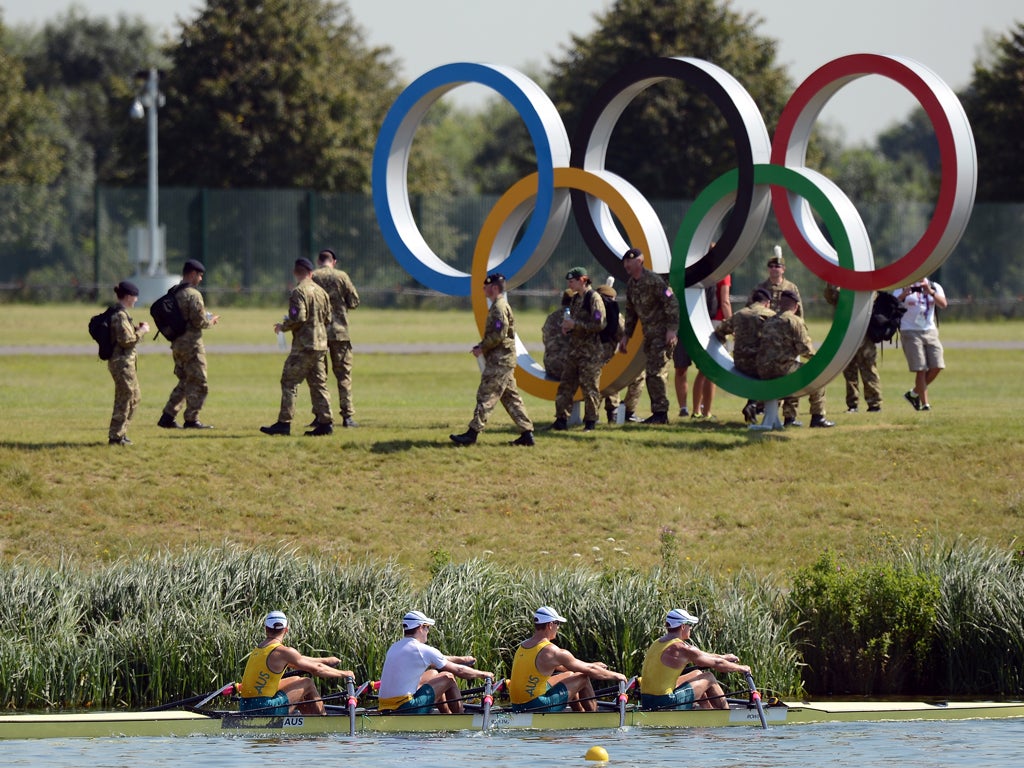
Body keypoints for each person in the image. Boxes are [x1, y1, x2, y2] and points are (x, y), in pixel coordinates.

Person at [450, 273, 535, 447]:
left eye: (486, 285)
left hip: (500, 361)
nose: (483, 289)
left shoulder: (499, 307)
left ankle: (472, 434)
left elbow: (499, 334)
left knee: (486, 395)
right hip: (503, 360)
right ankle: (527, 434)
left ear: (494, 288)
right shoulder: (499, 305)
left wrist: (482, 347)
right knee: (511, 399)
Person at [260, 258, 333, 437]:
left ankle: (284, 423)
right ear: (311, 273)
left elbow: (298, 317)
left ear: (295, 272)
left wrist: (283, 326)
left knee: (289, 381)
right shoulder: (322, 292)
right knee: (318, 384)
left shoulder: (298, 292)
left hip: (304, 346)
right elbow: (328, 318)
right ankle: (325, 423)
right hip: (320, 345)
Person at [509, 606, 627, 713]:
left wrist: (592, 665)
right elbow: (589, 670)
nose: (558, 628)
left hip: (516, 705)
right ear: (550, 625)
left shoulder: (523, 646)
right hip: (537, 706)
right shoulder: (553, 651)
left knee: (570, 674)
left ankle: (578, 713)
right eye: (557, 624)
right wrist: (617, 676)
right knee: (583, 678)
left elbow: (568, 666)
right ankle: (593, 716)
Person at [238, 610, 354, 716]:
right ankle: (322, 720)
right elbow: (316, 669)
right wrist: (345, 673)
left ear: (266, 629)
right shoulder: (283, 652)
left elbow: (300, 659)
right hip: (264, 709)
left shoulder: (260, 649)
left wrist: (326, 661)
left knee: (296, 679)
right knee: (307, 682)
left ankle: (307, 719)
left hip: (245, 706)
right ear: (286, 630)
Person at [378, 610, 493, 714]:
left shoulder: (395, 647)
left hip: (384, 706)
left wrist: (462, 659)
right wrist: (483, 674)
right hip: (406, 708)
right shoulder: (422, 649)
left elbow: (437, 660)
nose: (428, 631)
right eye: (427, 627)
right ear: (421, 627)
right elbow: (459, 670)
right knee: (448, 677)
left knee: (433, 673)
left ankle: (446, 714)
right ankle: (460, 717)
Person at [639, 609, 750, 711]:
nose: (691, 628)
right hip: (665, 703)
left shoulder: (658, 642)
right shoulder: (681, 648)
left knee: (697, 673)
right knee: (709, 677)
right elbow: (717, 664)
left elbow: (704, 655)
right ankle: (727, 715)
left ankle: (708, 712)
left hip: (647, 701)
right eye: (690, 625)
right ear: (683, 626)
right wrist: (741, 668)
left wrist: (724, 657)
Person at [755, 290, 834, 428]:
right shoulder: (794, 321)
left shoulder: (769, 321)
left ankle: (791, 419)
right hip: (783, 369)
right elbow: (804, 348)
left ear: (780, 304)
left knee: (794, 369)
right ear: (796, 306)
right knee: (816, 375)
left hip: (764, 371)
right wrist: (819, 361)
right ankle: (818, 417)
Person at [618, 247, 679, 424]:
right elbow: (631, 313)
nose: (627, 264)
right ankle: (659, 413)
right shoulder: (631, 285)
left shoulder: (655, 281)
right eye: (625, 262)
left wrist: (672, 329)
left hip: (662, 334)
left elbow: (672, 303)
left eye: (630, 261)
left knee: (656, 373)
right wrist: (626, 337)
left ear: (640, 261)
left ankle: (661, 414)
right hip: (650, 336)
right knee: (652, 373)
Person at [157, 259, 219, 430]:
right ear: (192, 274)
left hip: (177, 344)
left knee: (185, 380)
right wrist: (211, 321)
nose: (200, 279)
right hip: (192, 345)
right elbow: (199, 321)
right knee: (200, 382)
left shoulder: (174, 292)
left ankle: (167, 416)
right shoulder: (193, 295)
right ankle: (192, 419)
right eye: (199, 275)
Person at [552, 267, 606, 432]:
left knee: (590, 388)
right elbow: (574, 321)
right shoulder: (575, 299)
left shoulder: (594, 298)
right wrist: (568, 327)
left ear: (583, 280)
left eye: (572, 281)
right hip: (574, 350)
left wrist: (576, 325)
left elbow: (600, 324)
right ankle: (561, 420)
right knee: (566, 386)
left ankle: (590, 422)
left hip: (590, 353)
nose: (569, 284)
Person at [755, 246, 804, 425]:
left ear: (783, 269)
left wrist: (801, 333)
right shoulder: (761, 287)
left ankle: (790, 416)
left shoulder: (791, 288)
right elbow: (753, 311)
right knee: (767, 374)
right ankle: (761, 407)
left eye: (778, 266)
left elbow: (799, 314)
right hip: (767, 338)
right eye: (772, 266)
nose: (775, 269)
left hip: (788, 339)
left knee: (790, 377)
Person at [311, 248, 360, 427]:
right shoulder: (342, 277)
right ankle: (347, 417)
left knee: (318, 377)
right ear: (334, 261)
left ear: (318, 261)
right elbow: (354, 301)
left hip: (318, 334)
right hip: (340, 333)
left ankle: (321, 416)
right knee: (343, 376)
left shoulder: (312, 277)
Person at [714, 287, 774, 424]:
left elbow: (720, 331)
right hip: (760, 363)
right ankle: (754, 405)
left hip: (740, 362)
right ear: (767, 302)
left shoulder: (740, 313)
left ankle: (752, 404)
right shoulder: (769, 314)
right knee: (776, 374)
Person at [824, 284, 882, 413]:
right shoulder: (840, 289)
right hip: (845, 334)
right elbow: (830, 297)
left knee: (869, 369)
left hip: (864, 335)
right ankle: (852, 404)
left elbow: (871, 299)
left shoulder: (868, 287)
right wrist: (832, 283)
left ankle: (874, 403)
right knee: (849, 371)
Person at [106, 281, 149, 446]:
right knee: (125, 398)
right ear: (129, 296)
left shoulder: (121, 314)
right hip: (121, 363)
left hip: (126, 363)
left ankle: (121, 433)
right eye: (135, 296)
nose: (137, 300)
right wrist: (142, 331)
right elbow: (126, 341)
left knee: (134, 397)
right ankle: (115, 437)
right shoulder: (120, 315)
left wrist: (135, 330)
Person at [895, 277, 947, 411]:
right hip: (909, 330)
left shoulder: (934, 286)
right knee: (921, 368)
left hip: (929, 330)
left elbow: (943, 304)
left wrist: (930, 291)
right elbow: (893, 304)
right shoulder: (902, 285)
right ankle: (925, 404)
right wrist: (904, 294)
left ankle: (913, 394)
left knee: (938, 365)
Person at [595, 279, 644, 423]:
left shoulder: (587, 312)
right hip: (605, 362)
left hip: (588, 361)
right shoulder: (615, 316)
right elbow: (626, 336)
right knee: (638, 375)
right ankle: (624, 412)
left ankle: (594, 414)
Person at [692, 274, 733, 420]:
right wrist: (732, 324)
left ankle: (696, 410)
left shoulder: (706, 272)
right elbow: (725, 301)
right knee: (712, 370)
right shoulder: (724, 273)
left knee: (702, 369)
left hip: (703, 321)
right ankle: (706, 412)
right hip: (718, 323)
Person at [542, 289, 574, 380]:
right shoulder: (575, 318)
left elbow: (545, 340)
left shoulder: (552, 317)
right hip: (569, 366)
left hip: (551, 365)